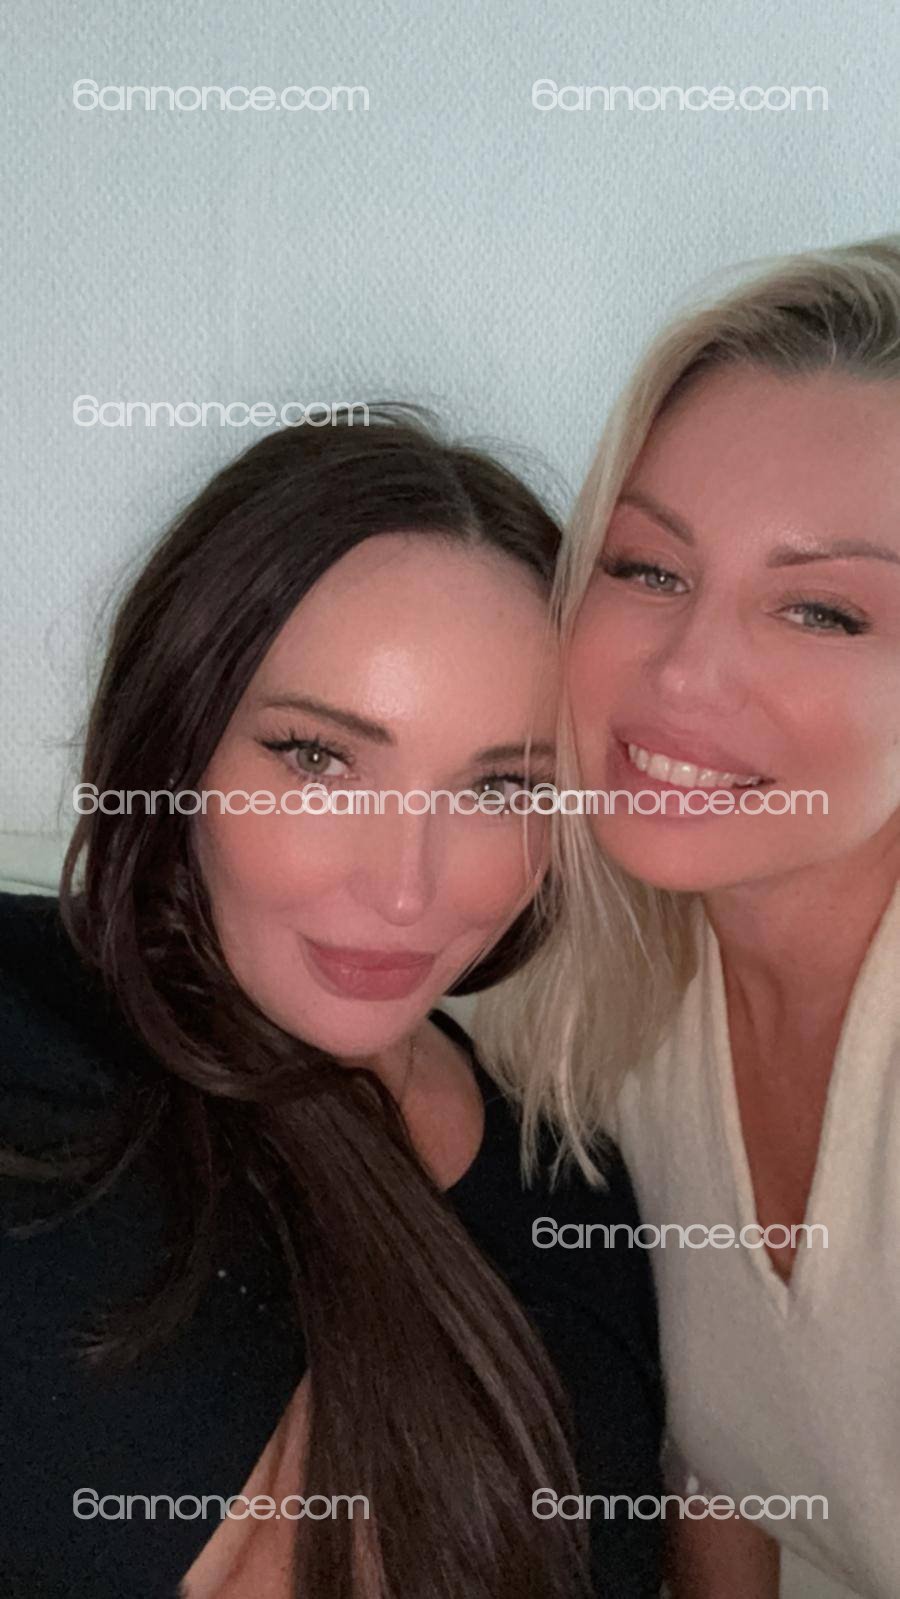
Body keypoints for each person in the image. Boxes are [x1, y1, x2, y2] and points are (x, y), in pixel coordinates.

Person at [0, 409, 664, 1599]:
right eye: (317, 758)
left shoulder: (578, 1188)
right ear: (176, 749)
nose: (404, 890)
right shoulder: (33, 1033)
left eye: (503, 788)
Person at [475, 239, 900, 1598]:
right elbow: (723, 1469)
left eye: (822, 609)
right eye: (650, 568)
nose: (685, 672)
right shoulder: (602, 1007)